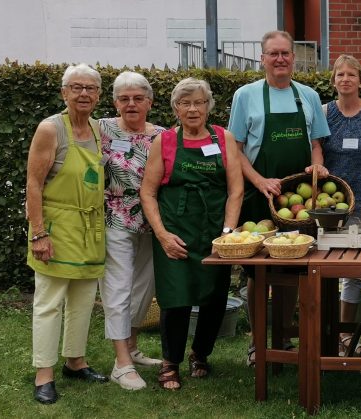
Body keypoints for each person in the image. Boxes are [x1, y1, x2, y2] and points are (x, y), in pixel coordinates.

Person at [227, 30, 330, 366]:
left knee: (295, 270)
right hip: (261, 199)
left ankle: (284, 340)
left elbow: (317, 144)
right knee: (259, 275)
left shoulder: (309, 96)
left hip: (302, 202)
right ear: (262, 58)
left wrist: (316, 169)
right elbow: (236, 150)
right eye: (274, 54)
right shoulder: (246, 95)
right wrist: (259, 181)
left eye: (286, 53)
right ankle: (258, 344)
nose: (281, 59)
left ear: (293, 57)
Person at [140, 77, 243, 390]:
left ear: (208, 106)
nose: (193, 108)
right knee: (175, 298)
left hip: (213, 230)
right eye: (186, 103)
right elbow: (148, 192)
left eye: (199, 102)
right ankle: (170, 362)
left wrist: (226, 234)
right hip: (176, 230)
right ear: (176, 108)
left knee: (214, 295)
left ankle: (200, 353)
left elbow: (236, 190)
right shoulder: (166, 141)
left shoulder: (224, 138)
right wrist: (162, 235)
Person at [26, 63, 109, 404]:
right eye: (76, 88)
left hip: (90, 229)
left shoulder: (97, 129)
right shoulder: (51, 129)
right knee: (49, 303)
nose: (84, 94)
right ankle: (43, 373)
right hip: (57, 228)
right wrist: (38, 233)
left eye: (90, 88)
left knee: (83, 301)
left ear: (99, 95)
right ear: (64, 92)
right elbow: (33, 183)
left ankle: (75, 361)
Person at [98, 71, 166, 391]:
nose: (131, 104)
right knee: (118, 287)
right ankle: (121, 364)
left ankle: (133, 347)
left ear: (150, 103)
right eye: (124, 98)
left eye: (138, 98)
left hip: (152, 219)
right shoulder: (102, 129)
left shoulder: (164, 136)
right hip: (114, 216)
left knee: (144, 286)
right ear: (115, 102)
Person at [321, 54, 361, 356]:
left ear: (360, 81)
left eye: (351, 75)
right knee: (323, 270)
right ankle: (326, 333)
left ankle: (346, 335)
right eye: (340, 74)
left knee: (354, 273)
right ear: (333, 80)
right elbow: (316, 153)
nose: (345, 79)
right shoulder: (324, 113)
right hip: (329, 209)